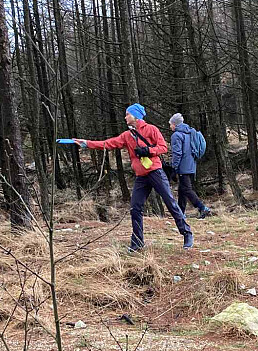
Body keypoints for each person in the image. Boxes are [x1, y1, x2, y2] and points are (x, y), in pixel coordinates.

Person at [74, 104, 193, 253]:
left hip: (155, 172)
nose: (125, 117)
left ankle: (187, 233)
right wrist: (87, 143)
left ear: (135, 116)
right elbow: (109, 143)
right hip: (141, 177)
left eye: (127, 114)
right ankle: (137, 242)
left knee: (170, 203)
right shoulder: (127, 135)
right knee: (135, 208)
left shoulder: (151, 129)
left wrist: (148, 150)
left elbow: (163, 147)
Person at [169, 113, 212, 219]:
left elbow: (177, 153)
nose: (170, 126)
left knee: (187, 189)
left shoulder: (176, 135)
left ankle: (202, 207)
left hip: (183, 166)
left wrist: (174, 167)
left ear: (175, 124)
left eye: (171, 124)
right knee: (182, 189)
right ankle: (180, 213)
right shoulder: (189, 132)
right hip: (191, 165)